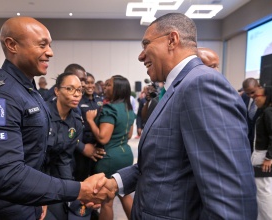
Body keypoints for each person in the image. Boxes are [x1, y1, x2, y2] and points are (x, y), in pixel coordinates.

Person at [0, 16, 114, 220]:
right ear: (12, 45)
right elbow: (6, 176)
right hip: (2, 207)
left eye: (49, 45)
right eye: (42, 45)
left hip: (26, 198)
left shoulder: (27, 91)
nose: (50, 52)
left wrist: (40, 198)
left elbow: (35, 157)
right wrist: (79, 189)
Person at [105, 13, 257, 219]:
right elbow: (163, 163)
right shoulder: (178, 87)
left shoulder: (202, 84)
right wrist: (115, 182)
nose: (141, 56)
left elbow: (229, 197)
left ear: (172, 40)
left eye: (146, 44)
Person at [45, 72, 104, 219]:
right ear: (57, 91)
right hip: (36, 175)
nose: (76, 94)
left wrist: (71, 190)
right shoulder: (42, 115)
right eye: (70, 89)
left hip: (57, 176)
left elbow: (64, 158)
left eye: (79, 90)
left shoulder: (76, 121)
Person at [86, 75, 135, 220]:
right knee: (124, 195)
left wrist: (90, 121)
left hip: (109, 158)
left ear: (118, 89)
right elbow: (129, 135)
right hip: (126, 155)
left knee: (107, 202)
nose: (104, 87)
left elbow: (103, 137)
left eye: (108, 85)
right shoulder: (128, 109)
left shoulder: (110, 109)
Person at [75, 72, 104, 182]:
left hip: (97, 140)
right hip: (83, 141)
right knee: (81, 174)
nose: (90, 86)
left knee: (96, 174)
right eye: (87, 83)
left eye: (92, 83)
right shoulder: (78, 100)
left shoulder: (99, 99)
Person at [252, 86, 272, 220]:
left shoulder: (269, 112)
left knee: (263, 193)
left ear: (266, 97)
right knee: (263, 192)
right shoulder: (265, 112)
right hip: (262, 155)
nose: (254, 100)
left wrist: (269, 157)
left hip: (263, 156)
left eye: (256, 97)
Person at [242, 77, 262, 152]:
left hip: (260, 138)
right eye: (247, 93)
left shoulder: (267, 98)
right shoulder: (244, 96)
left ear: (259, 87)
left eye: (253, 92)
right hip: (248, 137)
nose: (250, 95)